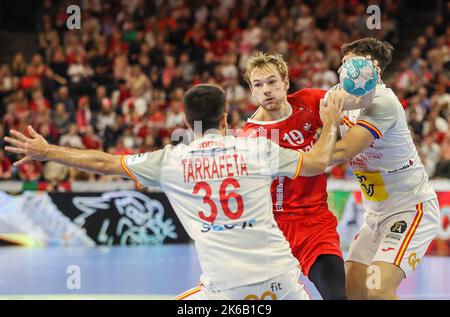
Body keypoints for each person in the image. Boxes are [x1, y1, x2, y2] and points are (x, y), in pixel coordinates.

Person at [4, 84, 344, 300]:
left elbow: (103, 162)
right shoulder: (256, 149)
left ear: (186, 121)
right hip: (283, 283)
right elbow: (316, 162)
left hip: (225, 291)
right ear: (225, 119)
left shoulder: (171, 160)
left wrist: (49, 152)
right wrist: (330, 122)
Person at [329, 38, 440, 300]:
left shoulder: (384, 102)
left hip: (410, 209)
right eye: (343, 64)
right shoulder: (338, 94)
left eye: (352, 63)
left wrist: (292, 161)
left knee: (378, 291)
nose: (346, 70)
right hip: (374, 215)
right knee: (353, 290)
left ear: (374, 68)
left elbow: (344, 151)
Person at [242, 52, 347, 300]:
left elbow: (347, 100)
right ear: (252, 91)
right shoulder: (253, 138)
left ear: (286, 82)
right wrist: (331, 125)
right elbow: (316, 163)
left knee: (336, 296)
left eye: (272, 82)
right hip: (273, 230)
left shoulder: (309, 100)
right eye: (258, 85)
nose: (266, 90)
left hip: (315, 223)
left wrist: (362, 84)